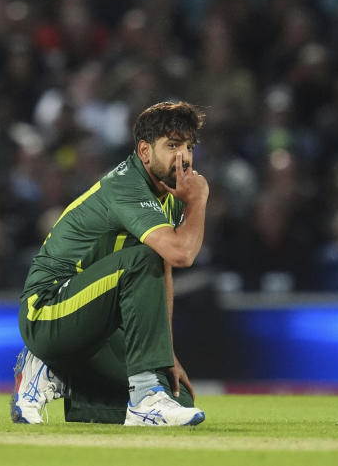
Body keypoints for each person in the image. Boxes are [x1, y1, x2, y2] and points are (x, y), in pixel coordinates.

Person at [11, 101, 207, 427]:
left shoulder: (168, 196)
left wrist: (165, 353)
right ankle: (143, 397)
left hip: (95, 322)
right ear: (144, 151)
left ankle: (57, 373)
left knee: (177, 394)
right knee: (142, 259)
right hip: (47, 310)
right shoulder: (126, 186)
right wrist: (199, 200)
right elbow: (180, 254)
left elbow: (164, 272)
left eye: (188, 147)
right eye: (172, 146)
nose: (183, 157)